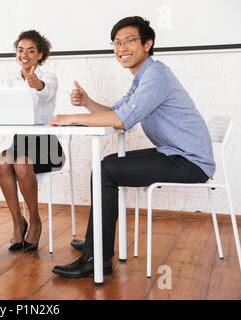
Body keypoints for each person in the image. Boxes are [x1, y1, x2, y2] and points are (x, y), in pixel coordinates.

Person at [49, 16, 215, 277]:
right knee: (107, 166)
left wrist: (72, 118)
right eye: (117, 43)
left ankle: (97, 258)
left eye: (129, 41)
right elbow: (117, 113)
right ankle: (97, 241)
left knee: (107, 169)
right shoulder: (143, 77)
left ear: (147, 44)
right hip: (176, 154)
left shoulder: (156, 75)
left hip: (190, 162)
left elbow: (121, 121)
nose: (121, 48)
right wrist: (87, 103)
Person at [0, 30, 65, 252]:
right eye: (20, 50)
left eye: (31, 50)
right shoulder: (9, 82)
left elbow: (46, 91)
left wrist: (37, 85)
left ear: (40, 55)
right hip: (19, 141)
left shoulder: (49, 77)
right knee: (2, 161)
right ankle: (18, 222)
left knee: (21, 162)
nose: (24, 54)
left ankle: (34, 220)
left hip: (45, 144)